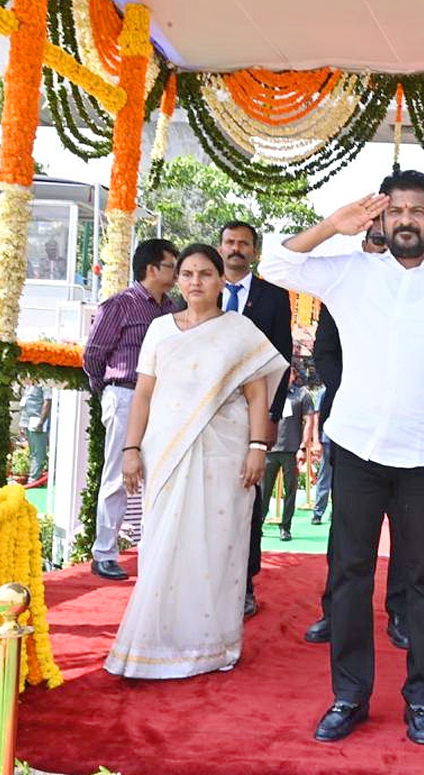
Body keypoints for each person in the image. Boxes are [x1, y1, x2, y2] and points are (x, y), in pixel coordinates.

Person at [261, 169, 424, 746]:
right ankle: (350, 695)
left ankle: (422, 701)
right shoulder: (351, 274)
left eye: (418, 210)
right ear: (381, 219)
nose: (407, 219)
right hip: (357, 449)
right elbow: (277, 266)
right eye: (397, 210)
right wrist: (333, 226)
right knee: (348, 577)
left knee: (423, 581)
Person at [104, 243, 287, 679]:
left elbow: (258, 393)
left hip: (225, 452)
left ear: (222, 280)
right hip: (166, 448)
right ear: (177, 279)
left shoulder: (240, 331)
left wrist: (258, 447)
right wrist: (131, 449)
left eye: (206, 273)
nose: (196, 282)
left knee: (217, 543)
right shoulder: (160, 330)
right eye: (187, 274)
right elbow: (144, 393)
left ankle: (211, 645)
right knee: (163, 540)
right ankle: (155, 643)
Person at [304, 231, 409, 650]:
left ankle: (399, 613)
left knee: (405, 529)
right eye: (375, 242)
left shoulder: (414, 294)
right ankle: (337, 611)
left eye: (388, 244)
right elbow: (324, 353)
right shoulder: (341, 293)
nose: (381, 251)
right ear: (363, 246)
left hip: (404, 431)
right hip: (349, 425)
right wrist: (354, 391)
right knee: (347, 531)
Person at [82, 238, 179, 581]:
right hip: (125, 394)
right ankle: (104, 553)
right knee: (119, 472)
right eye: (172, 265)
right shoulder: (119, 305)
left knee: (158, 473)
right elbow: (93, 355)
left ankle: (151, 549)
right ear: (152, 269)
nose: (178, 271)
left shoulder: (171, 309)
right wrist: (107, 390)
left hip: (161, 400)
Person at [217, 220, 294, 617]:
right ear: (220, 246)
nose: (236, 249)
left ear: (254, 251)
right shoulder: (201, 291)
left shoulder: (274, 298)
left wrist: (272, 415)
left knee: (248, 494)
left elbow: (282, 359)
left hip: (253, 415)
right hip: (207, 417)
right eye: (230, 242)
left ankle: (244, 582)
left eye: (244, 244)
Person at [260, 368, 314, 542]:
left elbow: (309, 422)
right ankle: (258, 524)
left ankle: (285, 527)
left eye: (288, 372)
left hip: (291, 450)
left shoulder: (302, 395)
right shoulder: (270, 393)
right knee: (263, 491)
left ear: (294, 375)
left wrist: (303, 447)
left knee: (290, 491)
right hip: (270, 450)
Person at [20, 381, 52, 482]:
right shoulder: (28, 385)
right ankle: (33, 476)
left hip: (37, 422)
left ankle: (34, 479)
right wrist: (22, 423)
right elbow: (24, 405)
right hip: (27, 422)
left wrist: (41, 422)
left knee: (38, 452)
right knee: (32, 452)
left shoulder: (44, 384)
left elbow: (47, 403)